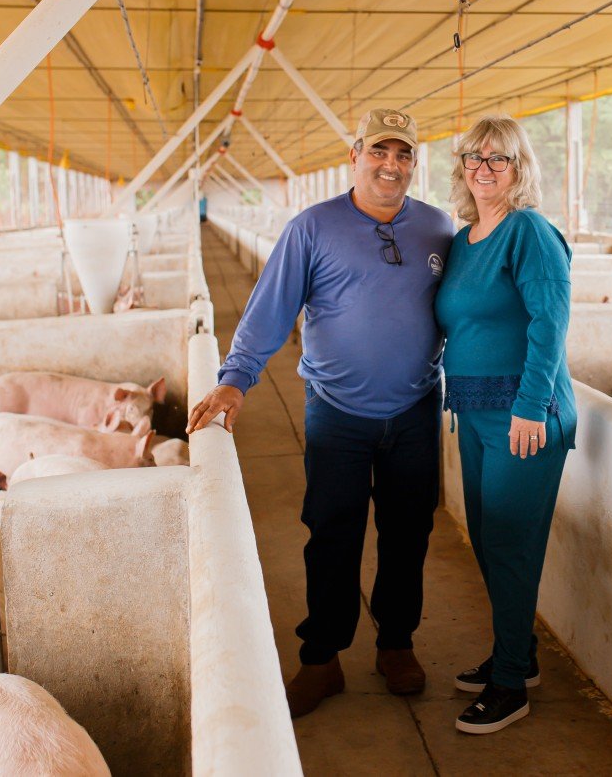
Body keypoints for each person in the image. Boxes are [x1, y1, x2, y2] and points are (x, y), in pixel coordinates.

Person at [187, 108, 455, 718]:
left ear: (415, 163)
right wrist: (235, 380)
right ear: (355, 155)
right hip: (337, 411)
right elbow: (270, 308)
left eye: (403, 154)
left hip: (416, 408)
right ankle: (321, 658)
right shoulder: (312, 228)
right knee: (332, 531)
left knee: (409, 532)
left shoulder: (438, 228)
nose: (390, 165)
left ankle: (396, 644)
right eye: (379, 151)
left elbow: (465, 304)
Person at [434, 115, 576, 734]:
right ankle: (518, 651)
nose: (484, 168)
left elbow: (550, 322)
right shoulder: (465, 240)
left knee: (510, 544)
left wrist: (530, 406)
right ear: (462, 167)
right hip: (473, 410)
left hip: (525, 416)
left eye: (499, 158)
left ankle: (511, 683)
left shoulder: (530, 232)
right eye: (474, 157)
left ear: (520, 168)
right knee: (489, 539)